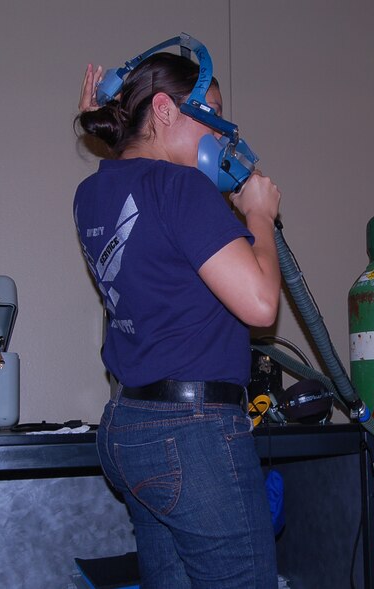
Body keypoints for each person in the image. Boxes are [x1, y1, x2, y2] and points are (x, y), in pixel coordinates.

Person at [73, 51, 282, 588]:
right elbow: (261, 305)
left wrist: (108, 129)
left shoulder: (91, 194)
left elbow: (134, 180)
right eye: (209, 117)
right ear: (163, 110)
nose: (218, 138)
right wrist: (258, 213)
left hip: (129, 428)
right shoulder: (182, 188)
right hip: (194, 437)